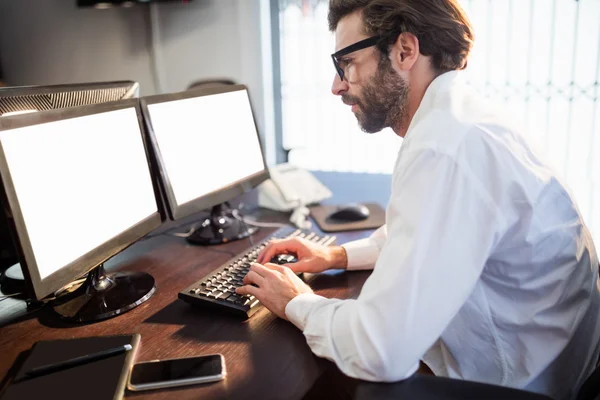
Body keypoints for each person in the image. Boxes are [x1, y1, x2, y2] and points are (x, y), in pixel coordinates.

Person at [236, 1, 600, 398]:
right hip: (561, 359)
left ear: (405, 51)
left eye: (347, 63)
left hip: (530, 383)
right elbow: (437, 229)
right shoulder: (464, 116)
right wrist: (338, 257)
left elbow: (380, 351)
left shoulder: (445, 147)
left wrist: (297, 304)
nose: (337, 85)